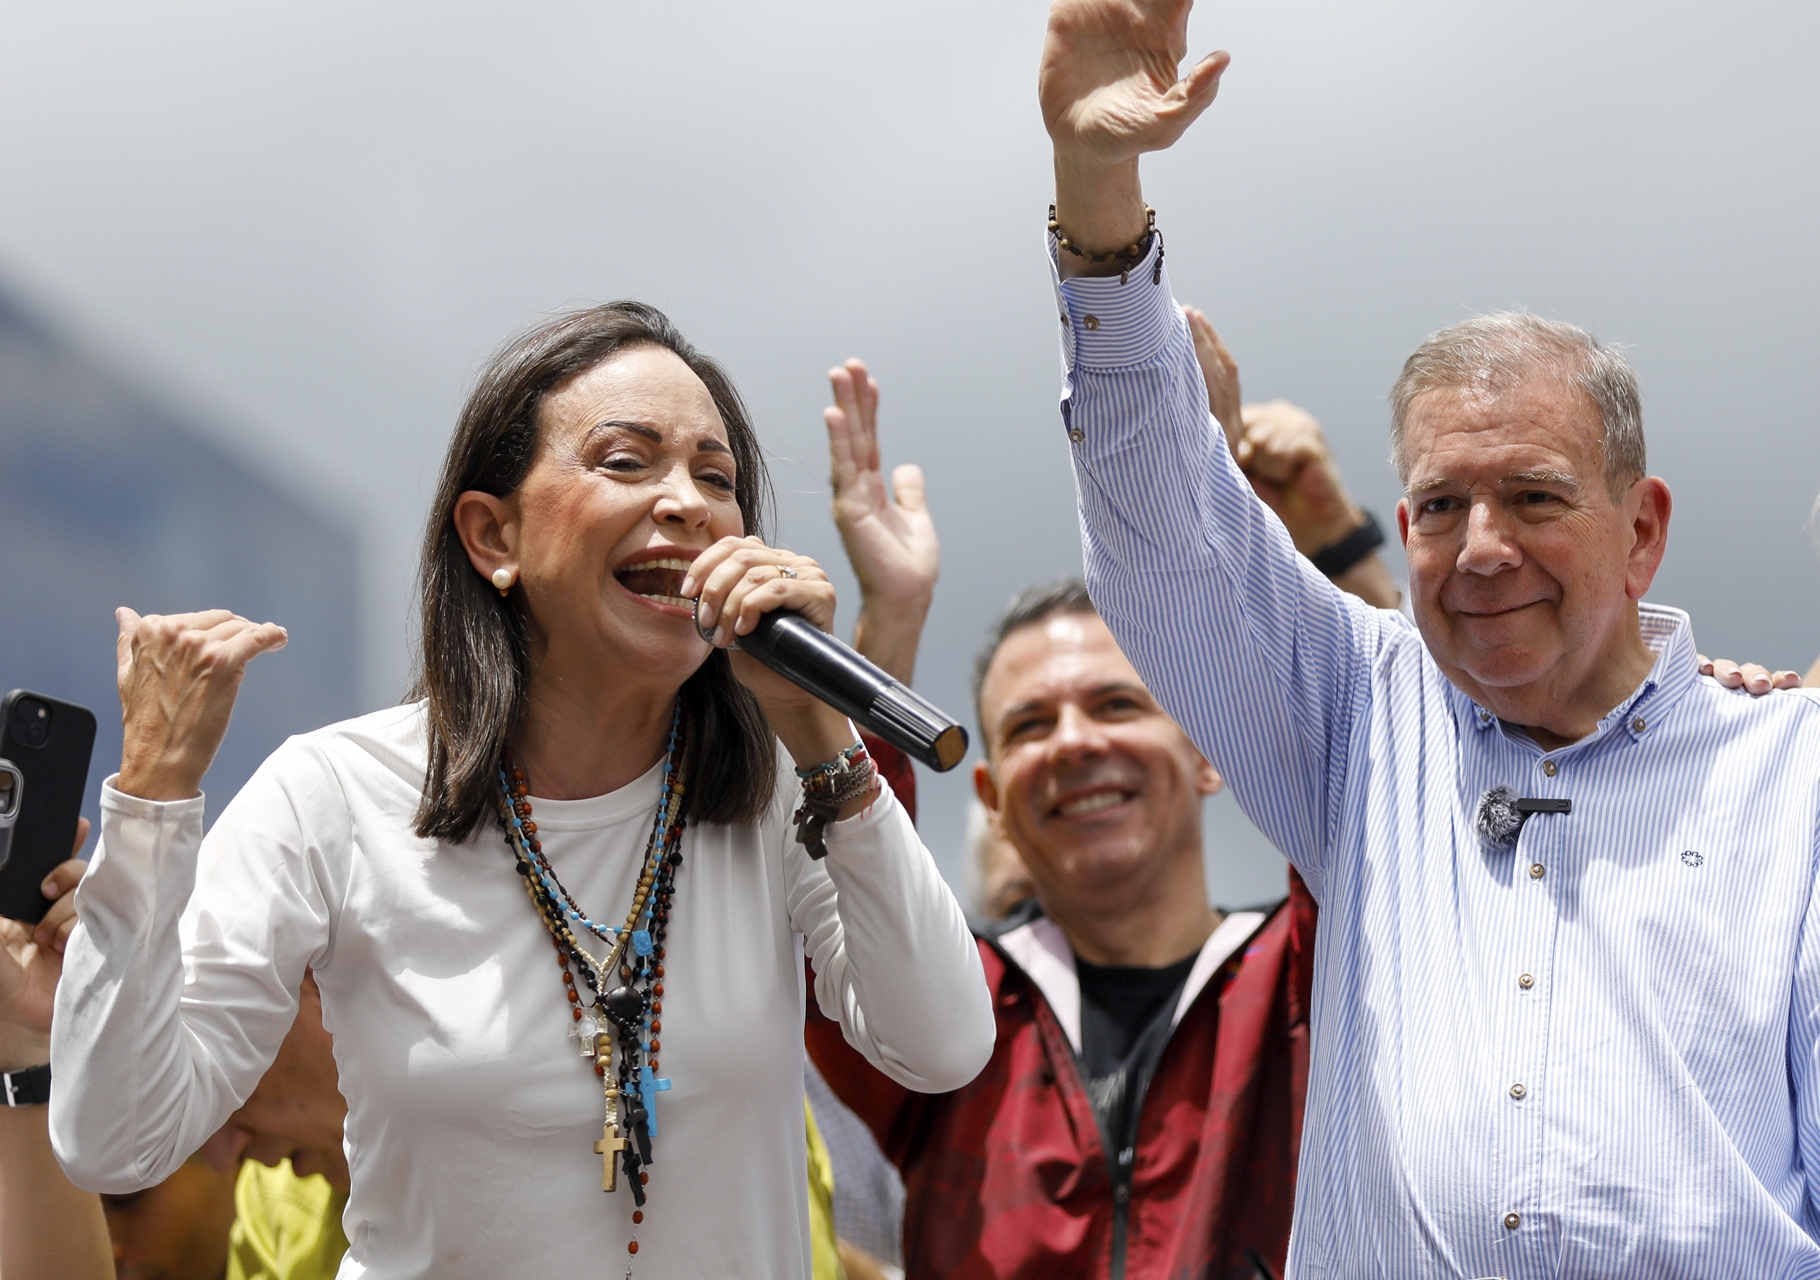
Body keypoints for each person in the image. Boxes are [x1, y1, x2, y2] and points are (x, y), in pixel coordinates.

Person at [1036, 2, 1820, 1274]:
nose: (1482, 547)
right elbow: (1162, 532)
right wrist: (1097, 187)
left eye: (1532, 496)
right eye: (1442, 507)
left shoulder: (1790, 774)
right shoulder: (1356, 712)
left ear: (1642, 530)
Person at [51, 301, 995, 1278]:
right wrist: (154, 804)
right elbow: (116, 1140)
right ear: (490, 533)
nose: (685, 502)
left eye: (716, 478)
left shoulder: (763, 789)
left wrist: (816, 729)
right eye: (626, 461)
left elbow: (943, 1042)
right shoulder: (332, 794)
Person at [804, 347, 1390, 1279]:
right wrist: (895, 616)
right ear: (991, 800)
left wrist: (1324, 548)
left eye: (1118, 705)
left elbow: (1392, 782)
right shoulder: (958, 1016)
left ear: (1211, 752)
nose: (1075, 743)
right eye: (1030, 725)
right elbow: (835, 930)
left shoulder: (1313, 985)